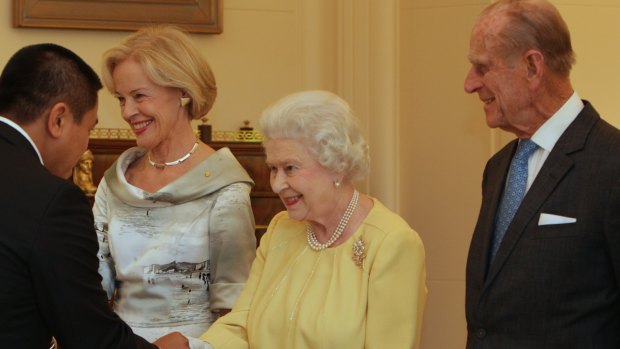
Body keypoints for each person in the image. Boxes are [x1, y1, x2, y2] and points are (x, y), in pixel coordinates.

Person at [199, 90, 427, 349]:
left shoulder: (392, 243)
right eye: (273, 168)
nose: (277, 184)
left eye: (290, 168)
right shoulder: (281, 229)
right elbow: (240, 325)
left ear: (337, 164)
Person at [0, 44, 189, 349]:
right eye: (88, 128)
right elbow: (90, 338)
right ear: (58, 119)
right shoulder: (52, 200)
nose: (85, 146)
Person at [464, 0, 620, 347]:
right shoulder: (498, 168)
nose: (469, 84)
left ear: (533, 67)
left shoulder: (612, 164)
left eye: (482, 67)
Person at [94, 25, 256, 348]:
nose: (127, 112)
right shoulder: (115, 182)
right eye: (121, 99)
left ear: (183, 92)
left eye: (139, 96)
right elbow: (91, 285)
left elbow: (236, 313)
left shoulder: (225, 187)